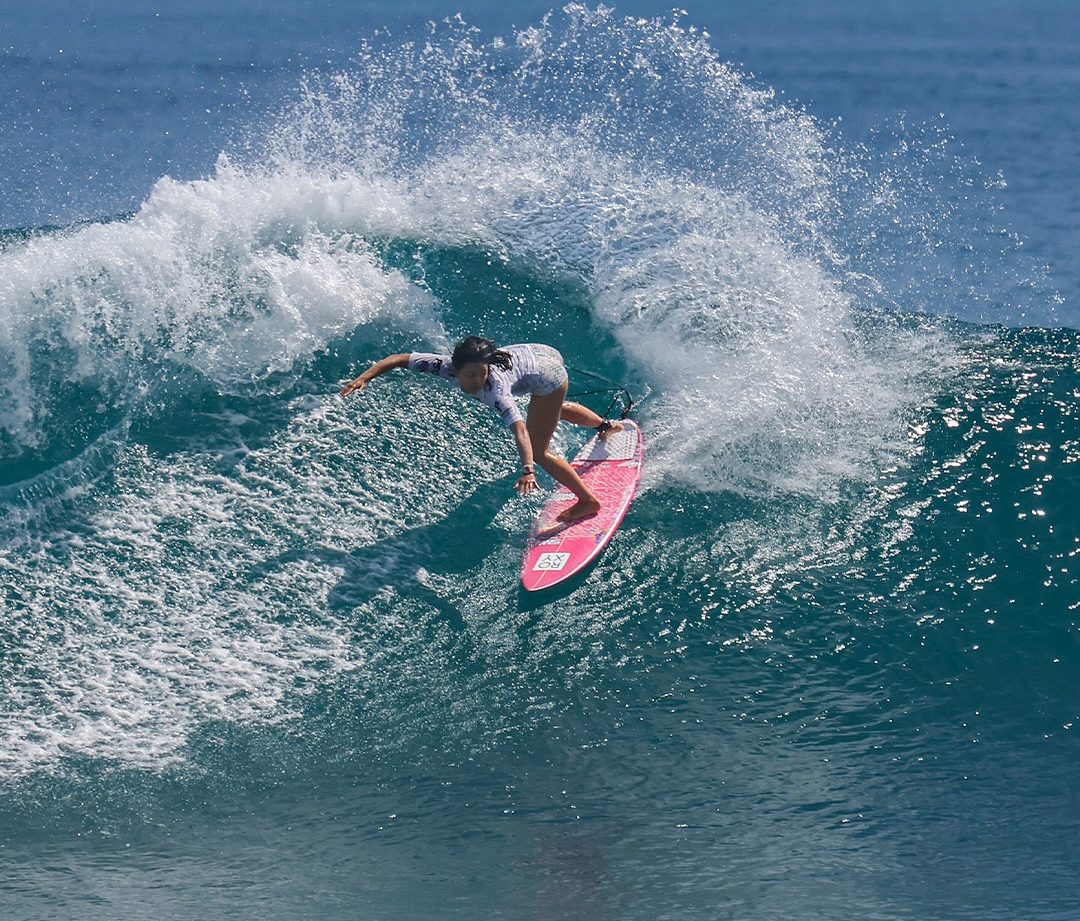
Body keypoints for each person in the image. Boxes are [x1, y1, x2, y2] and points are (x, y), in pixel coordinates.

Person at [339, 337, 623, 522]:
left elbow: (521, 431)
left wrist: (528, 468)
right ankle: (605, 426)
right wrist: (364, 378)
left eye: (482, 372)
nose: (477, 380)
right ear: (455, 369)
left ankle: (587, 501)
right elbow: (400, 358)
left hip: (548, 374)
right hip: (539, 353)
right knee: (549, 410)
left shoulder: (496, 391)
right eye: (471, 374)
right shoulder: (443, 366)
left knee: (539, 449)